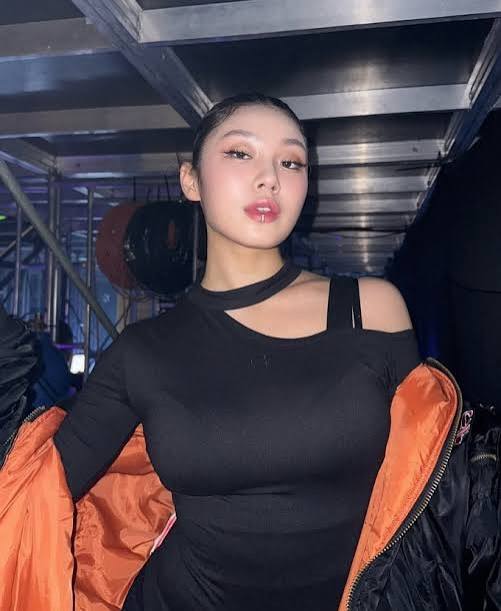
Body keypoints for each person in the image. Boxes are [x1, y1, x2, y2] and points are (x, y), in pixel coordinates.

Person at [0, 94, 499, 611]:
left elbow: (424, 480)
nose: (270, 179)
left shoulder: (370, 308)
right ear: (190, 180)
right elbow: (32, 491)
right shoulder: (142, 352)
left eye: (291, 162)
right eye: (241, 153)